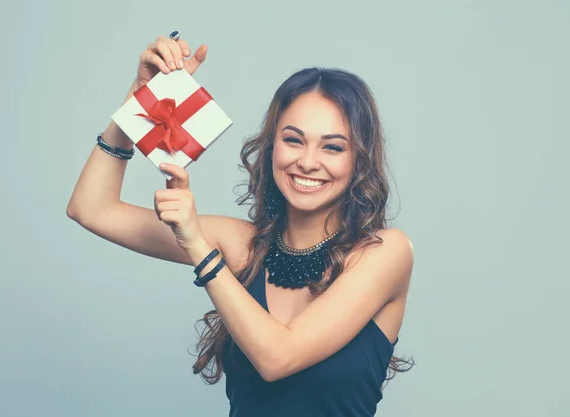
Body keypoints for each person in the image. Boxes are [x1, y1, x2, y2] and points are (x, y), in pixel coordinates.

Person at [67, 32, 415, 417]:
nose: (308, 162)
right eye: (293, 140)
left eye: (332, 147)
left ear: (359, 160)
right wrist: (138, 103)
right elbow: (91, 208)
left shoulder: (384, 253)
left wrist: (198, 246)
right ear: (271, 148)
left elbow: (278, 358)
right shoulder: (243, 245)